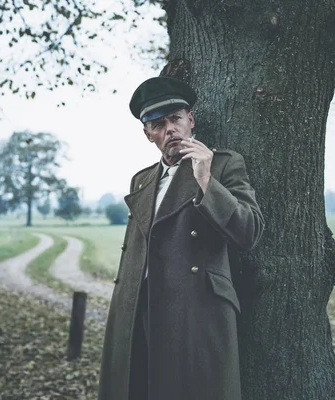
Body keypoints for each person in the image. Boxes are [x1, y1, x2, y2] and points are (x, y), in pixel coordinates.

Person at [97, 76, 265, 400]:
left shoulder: (223, 165)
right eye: (158, 124)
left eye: (175, 118)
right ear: (148, 134)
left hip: (194, 313)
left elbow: (250, 231)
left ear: (191, 119)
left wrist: (206, 179)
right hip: (138, 309)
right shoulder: (142, 180)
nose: (170, 129)